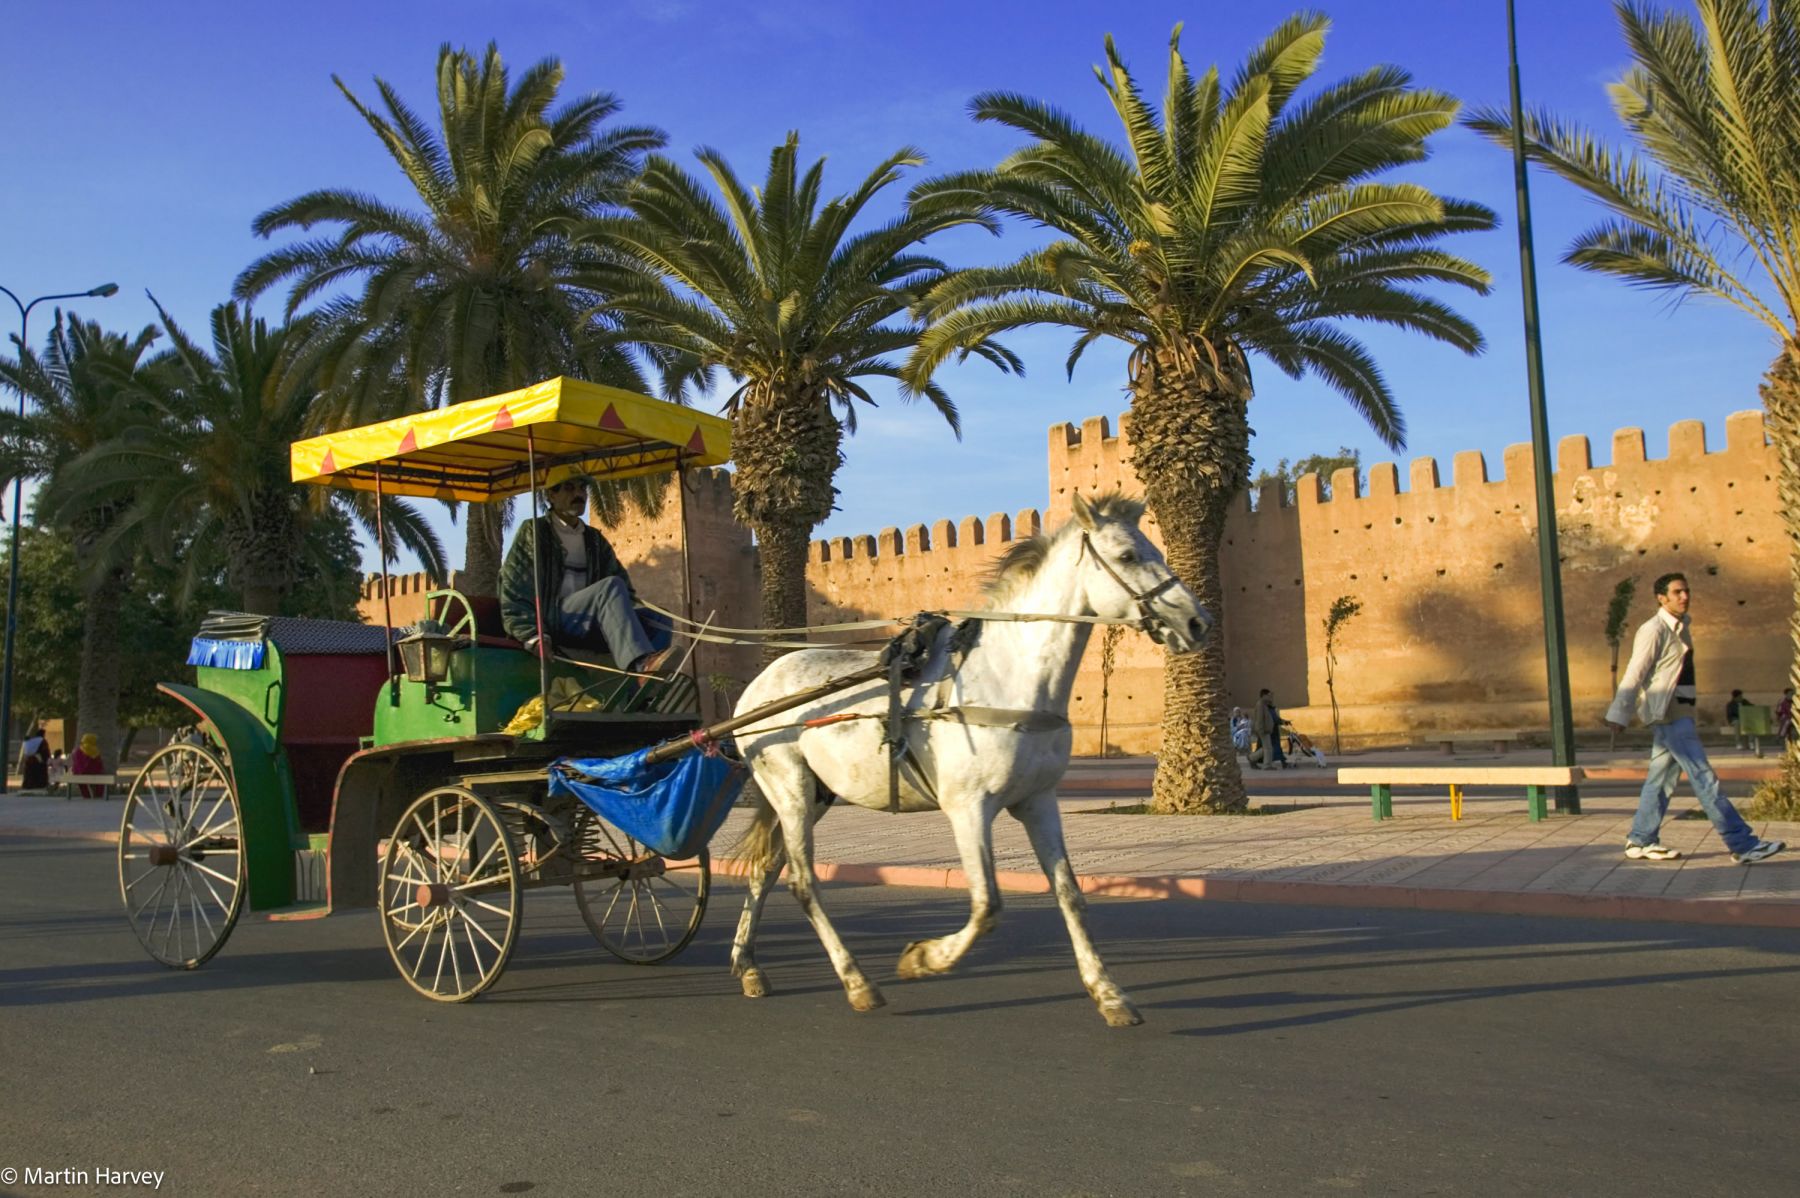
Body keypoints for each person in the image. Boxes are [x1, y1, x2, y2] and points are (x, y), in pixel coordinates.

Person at [1605, 572, 1784, 864]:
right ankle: (1743, 844)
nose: (1684, 597)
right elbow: (1634, 673)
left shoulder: (1681, 626)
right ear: (1661, 598)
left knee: (1660, 780)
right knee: (1703, 776)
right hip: (1668, 712)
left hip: (1680, 710)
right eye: (1677, 592)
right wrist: (1619, 714)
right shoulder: (1653, 629)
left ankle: (1641, 840)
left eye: (1686, 591)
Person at [499, 472, 678, 676]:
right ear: (551, 496)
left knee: (659, 618)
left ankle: (649, 683)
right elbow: (514, 589)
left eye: (582, 488)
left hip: (591, 622)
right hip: (554, 619)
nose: (579, 494)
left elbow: (624, 589)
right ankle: (641, 666)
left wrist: (633, 616)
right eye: (569, 488)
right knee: (610, 587)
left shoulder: (594, 540)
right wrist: (532, 634)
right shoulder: (534, 532)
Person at [1250, 689, 1287, 769]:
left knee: (1266, 748)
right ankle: (1267, 765)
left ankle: (1252, 758)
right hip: (1263, 730)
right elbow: (1259, 718)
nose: (1270, 697)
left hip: (1267, 730)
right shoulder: (1260, 704)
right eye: (1268, 695)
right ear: (1264, 695)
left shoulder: (1264, 705)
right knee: (1268, 748)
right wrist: (1261, 730)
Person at [70, 733, 107, 799]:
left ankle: (86, 796)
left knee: (82, 783)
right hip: (95, 773)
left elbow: (77, 764)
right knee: (100, 782)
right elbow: (99, 764)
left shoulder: (78, 750)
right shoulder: (95, 750)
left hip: (80, 773)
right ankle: (98, 795)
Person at [17, 726, 50, 791]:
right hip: (37, 760)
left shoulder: (31, 740)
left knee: (29, 774)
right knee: (40, 773)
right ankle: (39, 785)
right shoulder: (42, 740)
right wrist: (46, 758)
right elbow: (45, 751)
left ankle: (28, 785)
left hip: (28, 760)